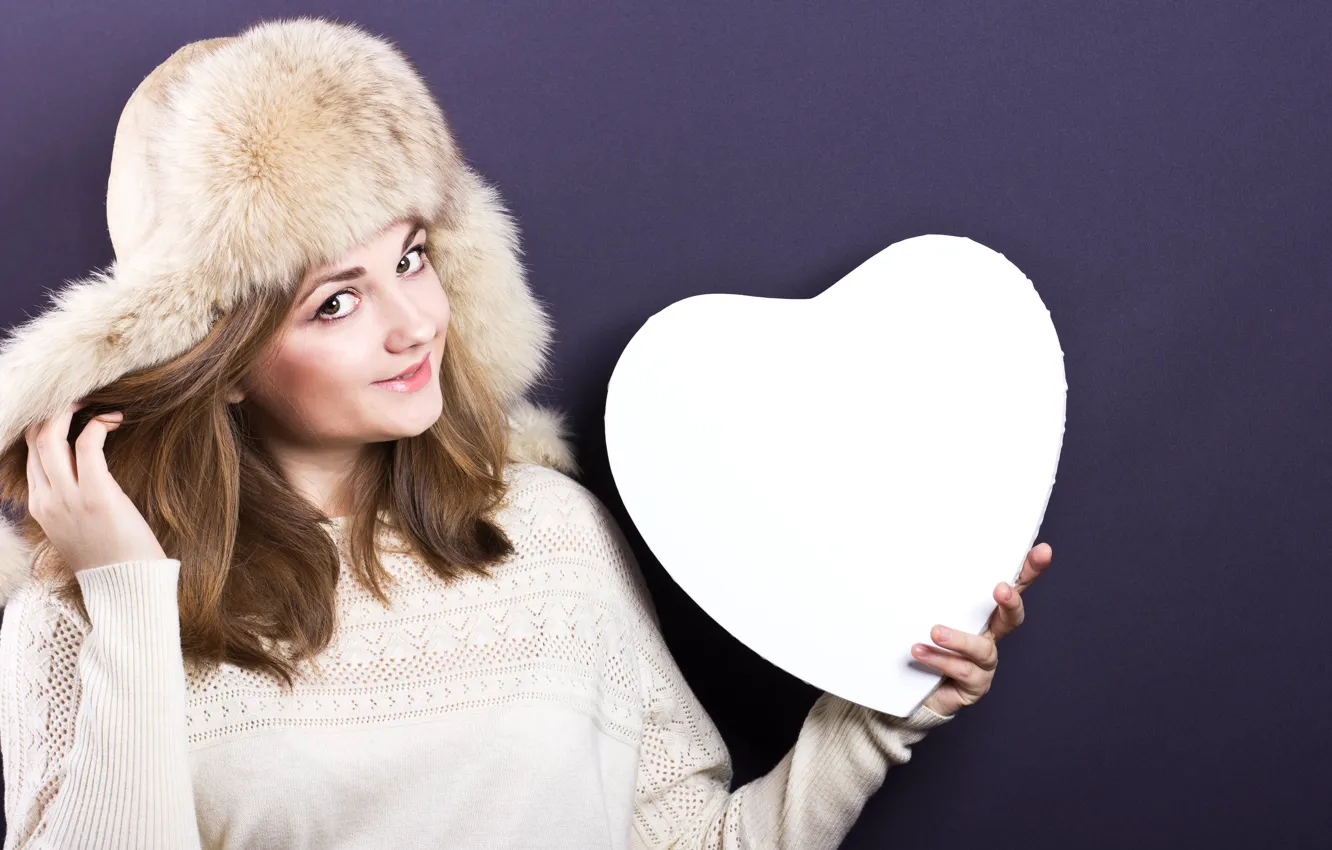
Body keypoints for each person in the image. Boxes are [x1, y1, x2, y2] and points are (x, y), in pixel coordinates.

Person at [0, 15, 1053, 850]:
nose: (414, 322)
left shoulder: (545, 532)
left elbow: (695, 842)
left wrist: (882, 704)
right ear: (217, 359)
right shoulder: (79, 622)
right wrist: (129, 602)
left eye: (411, 256)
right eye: (335, 300)